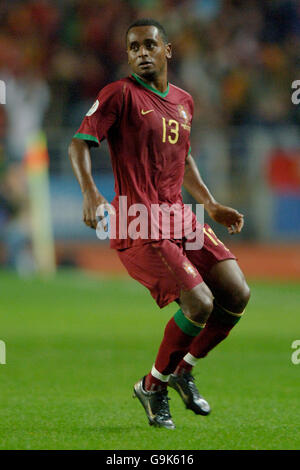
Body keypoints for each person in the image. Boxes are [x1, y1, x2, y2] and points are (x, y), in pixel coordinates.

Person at [68, 18, 250, 430]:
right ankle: (152, 385)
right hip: (140, 222)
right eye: (133, 48)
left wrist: (210, 202)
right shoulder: (118, 95)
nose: (141, 53)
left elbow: (183, 157)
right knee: (200, 302)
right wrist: (90, 191)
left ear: (167, 50)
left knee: (237, 292)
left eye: (150, 45)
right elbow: (79, 142)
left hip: (180, 217)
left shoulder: (184, 101)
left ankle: (183, 370)